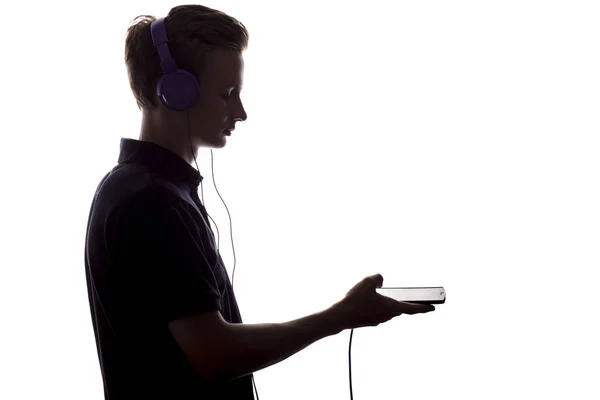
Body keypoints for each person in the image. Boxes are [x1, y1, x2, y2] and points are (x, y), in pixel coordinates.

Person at [84, 4, 435, 400]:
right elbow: (213, 354)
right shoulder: (151, 203)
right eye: (227, 94)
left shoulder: (140, 189)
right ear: (175, 94)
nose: (241, 112)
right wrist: (340, 317)